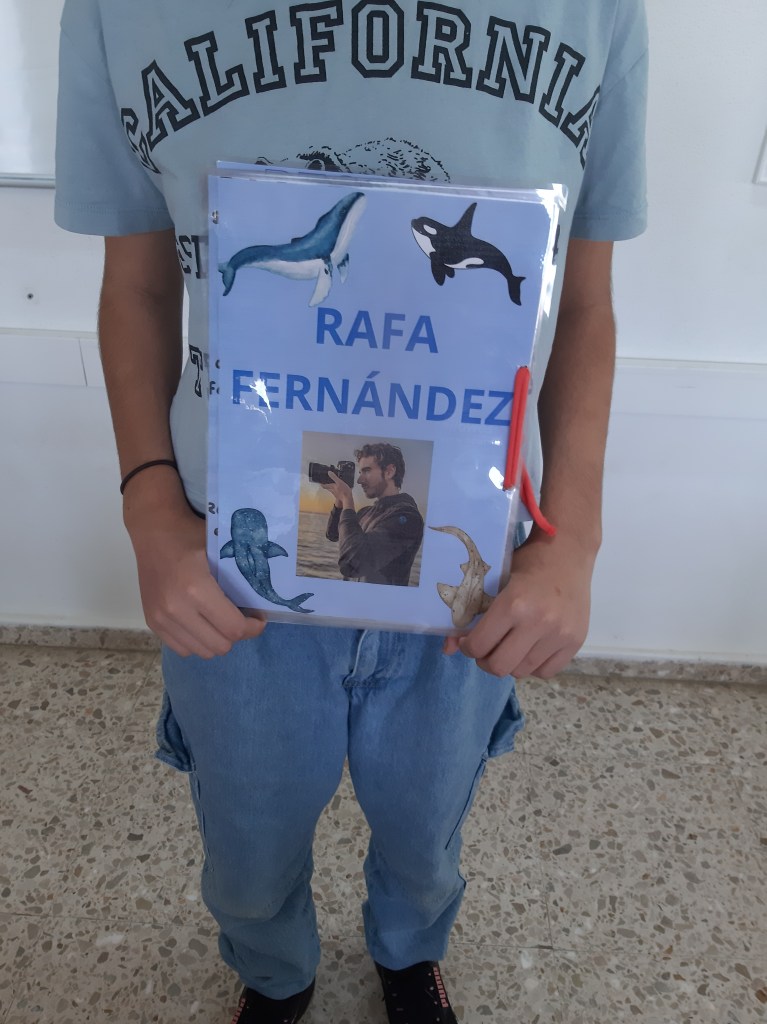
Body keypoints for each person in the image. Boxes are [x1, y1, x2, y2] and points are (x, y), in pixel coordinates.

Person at [55, 3, 648, 1021]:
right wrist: (149, 508)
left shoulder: (596, 13)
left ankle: (409, 954)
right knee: (246, 840)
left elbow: (583, 299)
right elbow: (139, 282)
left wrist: (575, 539)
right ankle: (271, 970)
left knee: (426, 831)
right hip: (231, 562)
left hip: (467, 573)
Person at [323, 442, 424, 586]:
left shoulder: (408, 518)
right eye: (360, 473)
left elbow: (354, 563)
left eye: (367, 471)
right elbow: (333, 534)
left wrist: (347, 498)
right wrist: (340, 501)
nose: (359, 480)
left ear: (389, 472)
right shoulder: (365, 512)